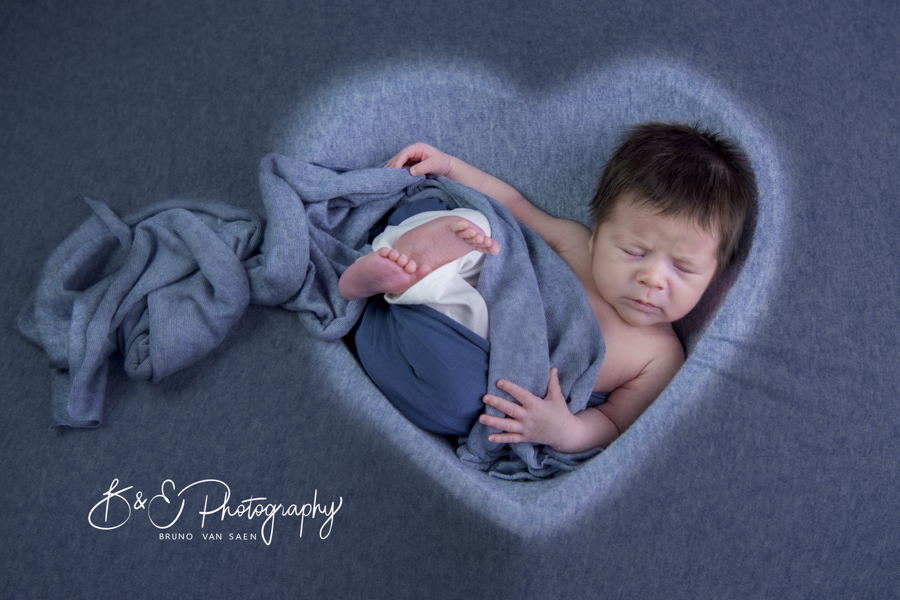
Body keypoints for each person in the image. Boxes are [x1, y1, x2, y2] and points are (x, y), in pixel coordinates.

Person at [341, 122, 756, 454]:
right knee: (480, 226)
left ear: (714, 274)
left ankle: (386, 282)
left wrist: (566, 431)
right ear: (598, 234)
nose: (653, 278)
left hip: (474, 355)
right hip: (483, 287)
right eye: (633, 250)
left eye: (683, 268)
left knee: (463, 402)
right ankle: (397, 267)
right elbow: (516, 206)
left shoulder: (660, 358)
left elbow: (614, 424)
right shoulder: (576, 244)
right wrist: (449, 166)